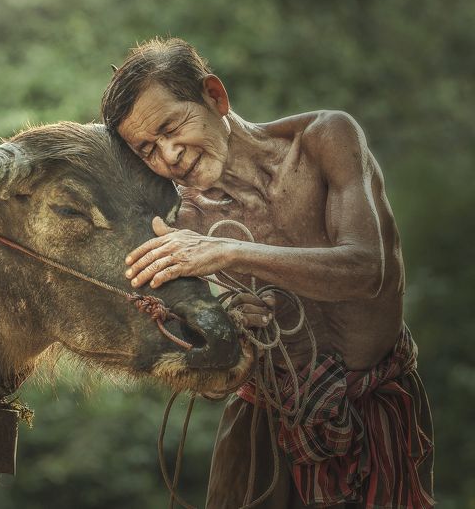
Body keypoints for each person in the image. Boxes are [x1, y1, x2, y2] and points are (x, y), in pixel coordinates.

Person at [101, 37, 434, 508]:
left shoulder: (324, 140)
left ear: (215, 97)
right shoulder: (184, 223)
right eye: (148, 149)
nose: (169, 156)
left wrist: (228, 253)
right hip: (269, 429)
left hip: (379, 411)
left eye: (172, 127)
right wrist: (227, 320)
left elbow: (365, 269)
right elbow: (195, 359)